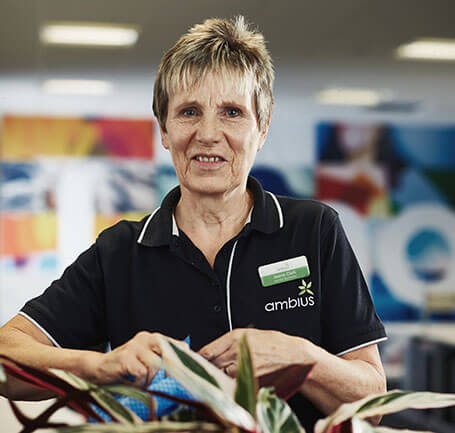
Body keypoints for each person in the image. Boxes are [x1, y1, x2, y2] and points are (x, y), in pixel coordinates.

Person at [0, 16, 387, 431]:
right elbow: (8, 356)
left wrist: (301, 357)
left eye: (232, 112)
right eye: (188, 112)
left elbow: (374, 399)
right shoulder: (121, 251)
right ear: (164, 129)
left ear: (262, 128)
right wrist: (100, 365)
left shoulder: (313, 231)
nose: (207, 133)